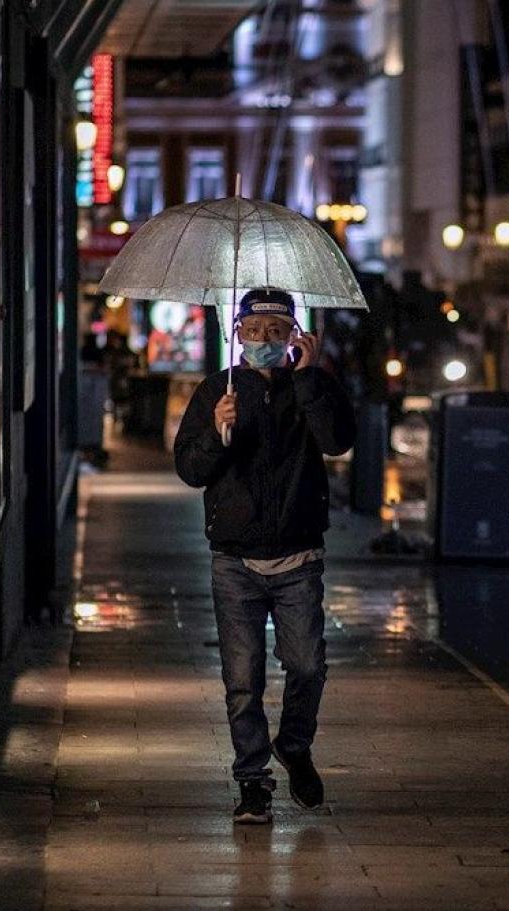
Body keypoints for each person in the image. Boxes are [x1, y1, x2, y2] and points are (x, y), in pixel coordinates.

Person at [173, 288, 356, 824]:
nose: (264, 341)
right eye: (254, 332)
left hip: (299, 557)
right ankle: (252, 780)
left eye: (277, 332)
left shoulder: (311, 387)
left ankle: (294, 745)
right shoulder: (216, 391)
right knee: (242, 679)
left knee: (307, 666)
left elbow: (337, 440)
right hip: (235, 560)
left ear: (294, 336)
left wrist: (310, 377)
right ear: (237, 334)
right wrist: (217, 431)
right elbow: (190, 469)